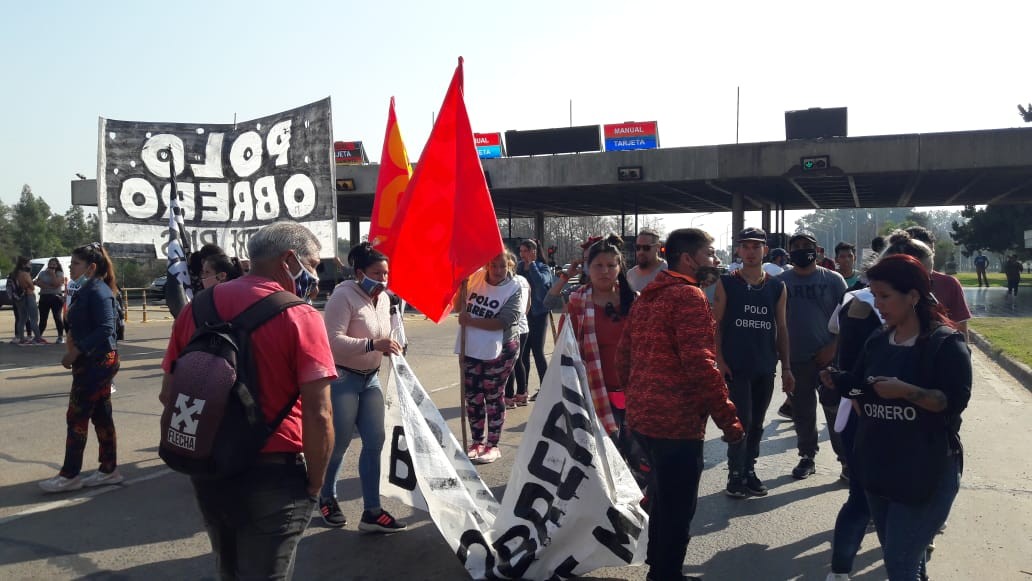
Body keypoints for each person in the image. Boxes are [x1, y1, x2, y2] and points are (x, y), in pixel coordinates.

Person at [160, 222, 336, 580]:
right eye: (314, 264)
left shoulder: (198, 307)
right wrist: (315, 483)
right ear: (289, 260)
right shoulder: (300, 315)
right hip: (273, 473)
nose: (315, 275)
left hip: (208, 466)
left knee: (229, 567)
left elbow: (168, 393)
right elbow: (319, 415)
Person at [821, 254, 970, 581]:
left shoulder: (945, 343)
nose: (878, 304)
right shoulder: (877, 341)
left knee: (899, 560)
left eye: (885, 296)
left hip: (925, 471)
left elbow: (952, 403)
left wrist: (906, 391)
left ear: (913, 295)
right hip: (879, 467)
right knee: (902, 554)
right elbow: (863, 391)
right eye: (874, 295)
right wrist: (841, 383)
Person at [617, 228, 744, 581]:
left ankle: (658, 566)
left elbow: (623, 357)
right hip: (676, 425)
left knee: (661, 499)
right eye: (709, 252)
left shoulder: (647, 297)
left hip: (644, 421)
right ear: (688, 258)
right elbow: (701, 364)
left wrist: (637, 399)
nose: (714, 260)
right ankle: (666, 573)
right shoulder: (689, 297)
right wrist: (728, 419)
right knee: (677, 507)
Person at [320, 243, 406, 532]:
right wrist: (372, 345)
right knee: (339, 443)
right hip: (343, 378)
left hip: (370, 379)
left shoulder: (383, 299)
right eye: (376, 273)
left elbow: (383, 333)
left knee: (375, 442)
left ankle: (372, 511)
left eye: (386, 274)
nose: (383, 279)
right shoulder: (343, 296)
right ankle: (326, 497)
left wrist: (391, 345)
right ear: (359, 273)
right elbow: (331, 341)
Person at [713, 227, 794, 498]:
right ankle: (735, 474)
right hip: (736, 366)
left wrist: (787, 369)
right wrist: (719, 359)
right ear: (738, 251)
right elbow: (717, 325)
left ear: (765, 250)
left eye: (756, 246)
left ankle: (749, 469)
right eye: (745, 246)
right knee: (741, 420)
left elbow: (781, 328)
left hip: (764, 364)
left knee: (757, 422)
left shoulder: (776, 286)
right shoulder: (727, 282)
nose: (750, 252)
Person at [546, 234, 638, 470]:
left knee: (639, 455)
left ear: (620, 267)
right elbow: (566, 349)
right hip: (595, 391)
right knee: (608, 455)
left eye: (611, 265)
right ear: (588, 267)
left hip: (635, 389)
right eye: (598, 265)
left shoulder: (635, 301)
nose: (605, 271)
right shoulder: (577, 301)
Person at [39, 243, 122, 492]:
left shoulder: (98, 291)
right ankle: (109, 470)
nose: (71, 267)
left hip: (96, 362)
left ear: (92, 267)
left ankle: (69, 475)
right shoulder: (89, 288)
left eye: (76, 263)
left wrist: (76, 351)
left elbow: (107, 329)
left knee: (76, 417)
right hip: (94, 361)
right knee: (101, 415)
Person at [778, 231, 847, 480]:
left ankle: (846, 461)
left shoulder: (834, 280)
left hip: (829, 358)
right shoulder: (781, 281)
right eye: (795, 246)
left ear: (817, 251)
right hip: (796, 359)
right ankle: (807, 457)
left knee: (835, 410)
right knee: (802, 412)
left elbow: (847, 318)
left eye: (806, 245)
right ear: (789, 252)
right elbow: (778, 321)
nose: (800, 249)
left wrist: (834, 347)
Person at [457, 250, 523, 464]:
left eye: (502, 266)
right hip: (472, 347)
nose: (497, 270)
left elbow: (504, 321)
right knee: (473, 396)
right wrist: (461, 287)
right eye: (493, 266)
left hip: (501, 348)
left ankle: (492, 445)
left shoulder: (515, 288)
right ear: (486, 265)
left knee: (492, 395)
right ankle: (477, 441)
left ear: (510, 266)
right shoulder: (474, 280)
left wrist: (472, 322)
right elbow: (459, 308)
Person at [904, 226, 972, 337]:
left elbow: (961, 327)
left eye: (931, 253)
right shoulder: (889, 285)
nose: (929, 259)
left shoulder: (949, 284)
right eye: (923, 254)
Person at [516, 239, 552, 390]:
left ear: (533, 252)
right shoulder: (518, 267)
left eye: (526, 251)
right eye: (521, 251)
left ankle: (545, 388)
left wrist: (532, 266)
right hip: (523, 315)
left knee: (538, 352)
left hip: (539, 315)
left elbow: (540, 283)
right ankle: (522, 389)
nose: (522, 254)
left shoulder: (543, 267)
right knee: (523, 354)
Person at [504, 269, 531, 409]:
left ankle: (509, 396)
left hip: (514, 328)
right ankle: (522, 394)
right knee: (519, 360)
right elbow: (528, 304)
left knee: (510, 363)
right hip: (523, 326)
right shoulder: (523, 280)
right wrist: (522, 317)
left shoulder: (509, 282)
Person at [10, 256, 44, 345]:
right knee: (34, 318)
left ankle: (21, 338)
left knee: (22, 319)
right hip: (28, 295)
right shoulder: (25, 274)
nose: (30, 265)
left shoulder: (14, 273)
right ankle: (37, 338)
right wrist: (34, 283)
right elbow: (31, 287)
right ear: (23, 264)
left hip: (19, 297)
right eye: (29, 263)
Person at [35, 257, 68, 343]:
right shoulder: (42, 273)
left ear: (57, 265)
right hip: (44, 297)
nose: (52, 266)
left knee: (57, 317)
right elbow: (37, 282)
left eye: (54, 264)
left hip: (56, 297)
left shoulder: (59, 273)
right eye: (50, 264)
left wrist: (53, 275)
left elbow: (57, 284)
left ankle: (60, 336)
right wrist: (48, 286)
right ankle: (39, 336)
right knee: (43, 318)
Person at [626, 227, 668, 292]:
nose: (641, 252)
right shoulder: (630, 275)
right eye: (638, 247)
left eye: (646, 248)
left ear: (657, 247)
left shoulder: (668, 272)